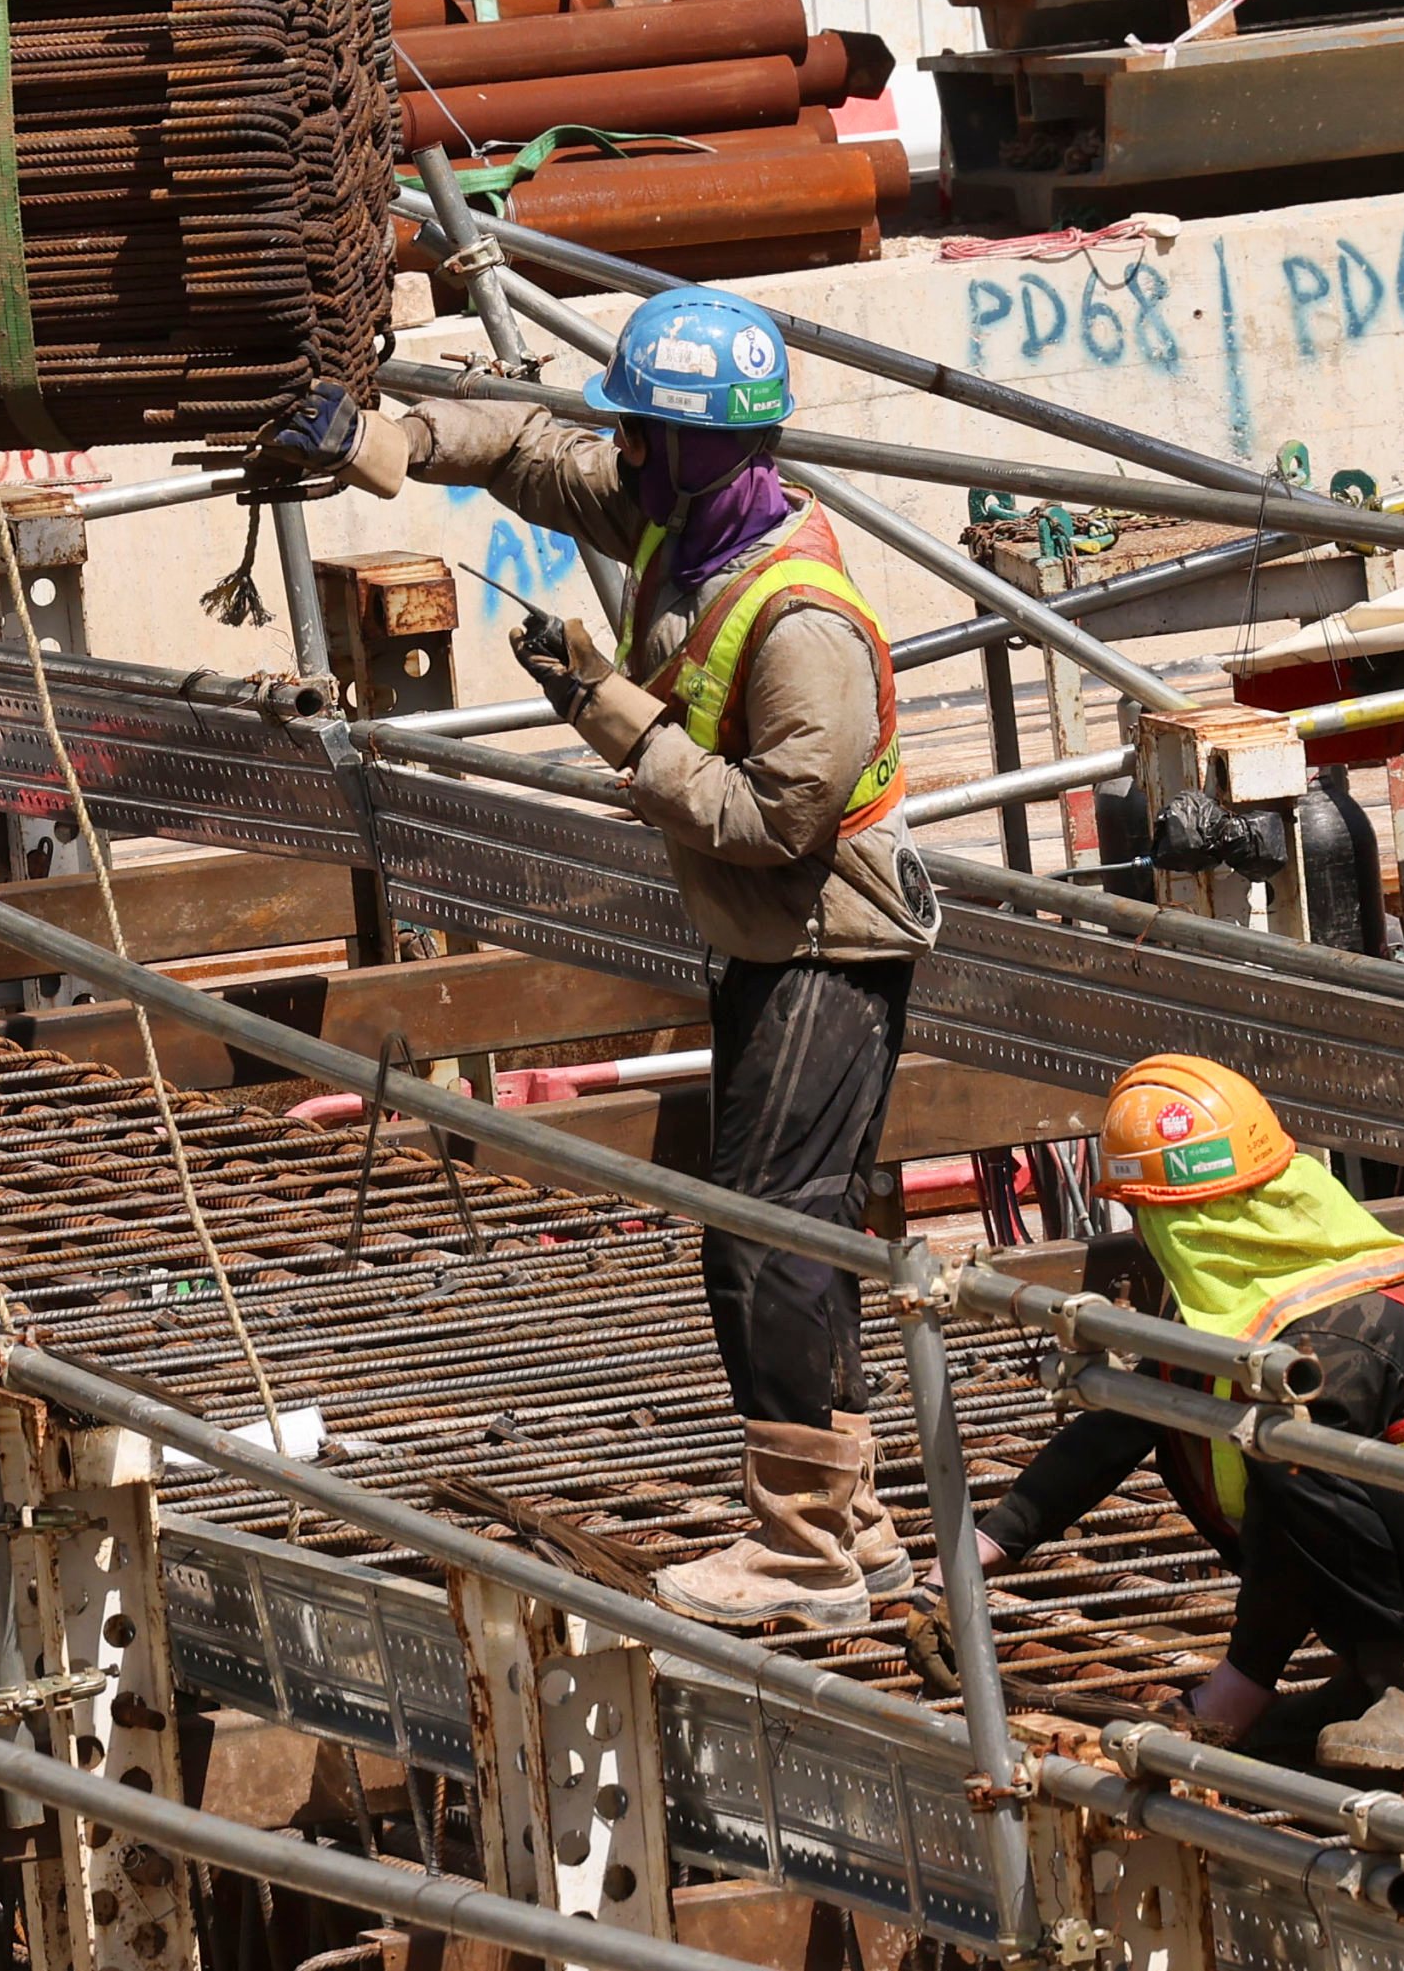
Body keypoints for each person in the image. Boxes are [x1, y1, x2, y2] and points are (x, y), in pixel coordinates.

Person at [257, 290, 939, 1627]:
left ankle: (800, 1547)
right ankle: (847, 1525)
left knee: (766, 1243)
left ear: (711, 444)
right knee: (776, 1230)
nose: (620, 446)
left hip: (821, 943)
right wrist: (380, 440)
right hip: (769, 946)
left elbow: (769, 822)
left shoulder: (799, 618)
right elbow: (523, 452)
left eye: (643, 429)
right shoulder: (675, 505)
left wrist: (605, 710)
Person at [977, 1056, 1404, 1773]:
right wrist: (983, 1548)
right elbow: (1128, 1413)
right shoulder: (1260, 1290)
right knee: (1251, 1440)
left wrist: (1238, 1685)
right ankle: (1368, 1672)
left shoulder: (1328, 1332)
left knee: (1289, 1457)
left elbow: (1293, 1521)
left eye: (1145, 1212)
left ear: (1184, 1218)